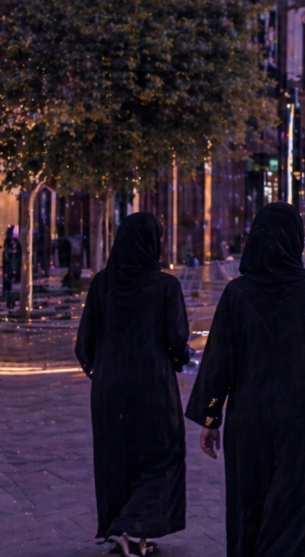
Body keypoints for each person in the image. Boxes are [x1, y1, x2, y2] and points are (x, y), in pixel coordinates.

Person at [185, 203, 305, 557]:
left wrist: (211, 420)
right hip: (304, 424)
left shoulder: (237, 294)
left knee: (250, 507)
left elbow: (217, 365)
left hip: (249, 422)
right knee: (300, 512)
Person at [75, 213, 190, 557]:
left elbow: (84, 345)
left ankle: (132, 536)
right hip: (152, 385)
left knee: (117, 457)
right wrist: (179, 359)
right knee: (163, 457)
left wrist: (103, 372)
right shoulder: (165, 286)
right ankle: (130, 527)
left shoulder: (101, 284)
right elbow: (177, 338)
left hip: (109, 387)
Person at [2, 224, 21, 310]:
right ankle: (7, 293)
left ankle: (10, 296)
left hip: (13, 264)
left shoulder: (17, 243)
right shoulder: (7, 242)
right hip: (9, 264)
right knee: (7, 279)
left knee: (11, 279)